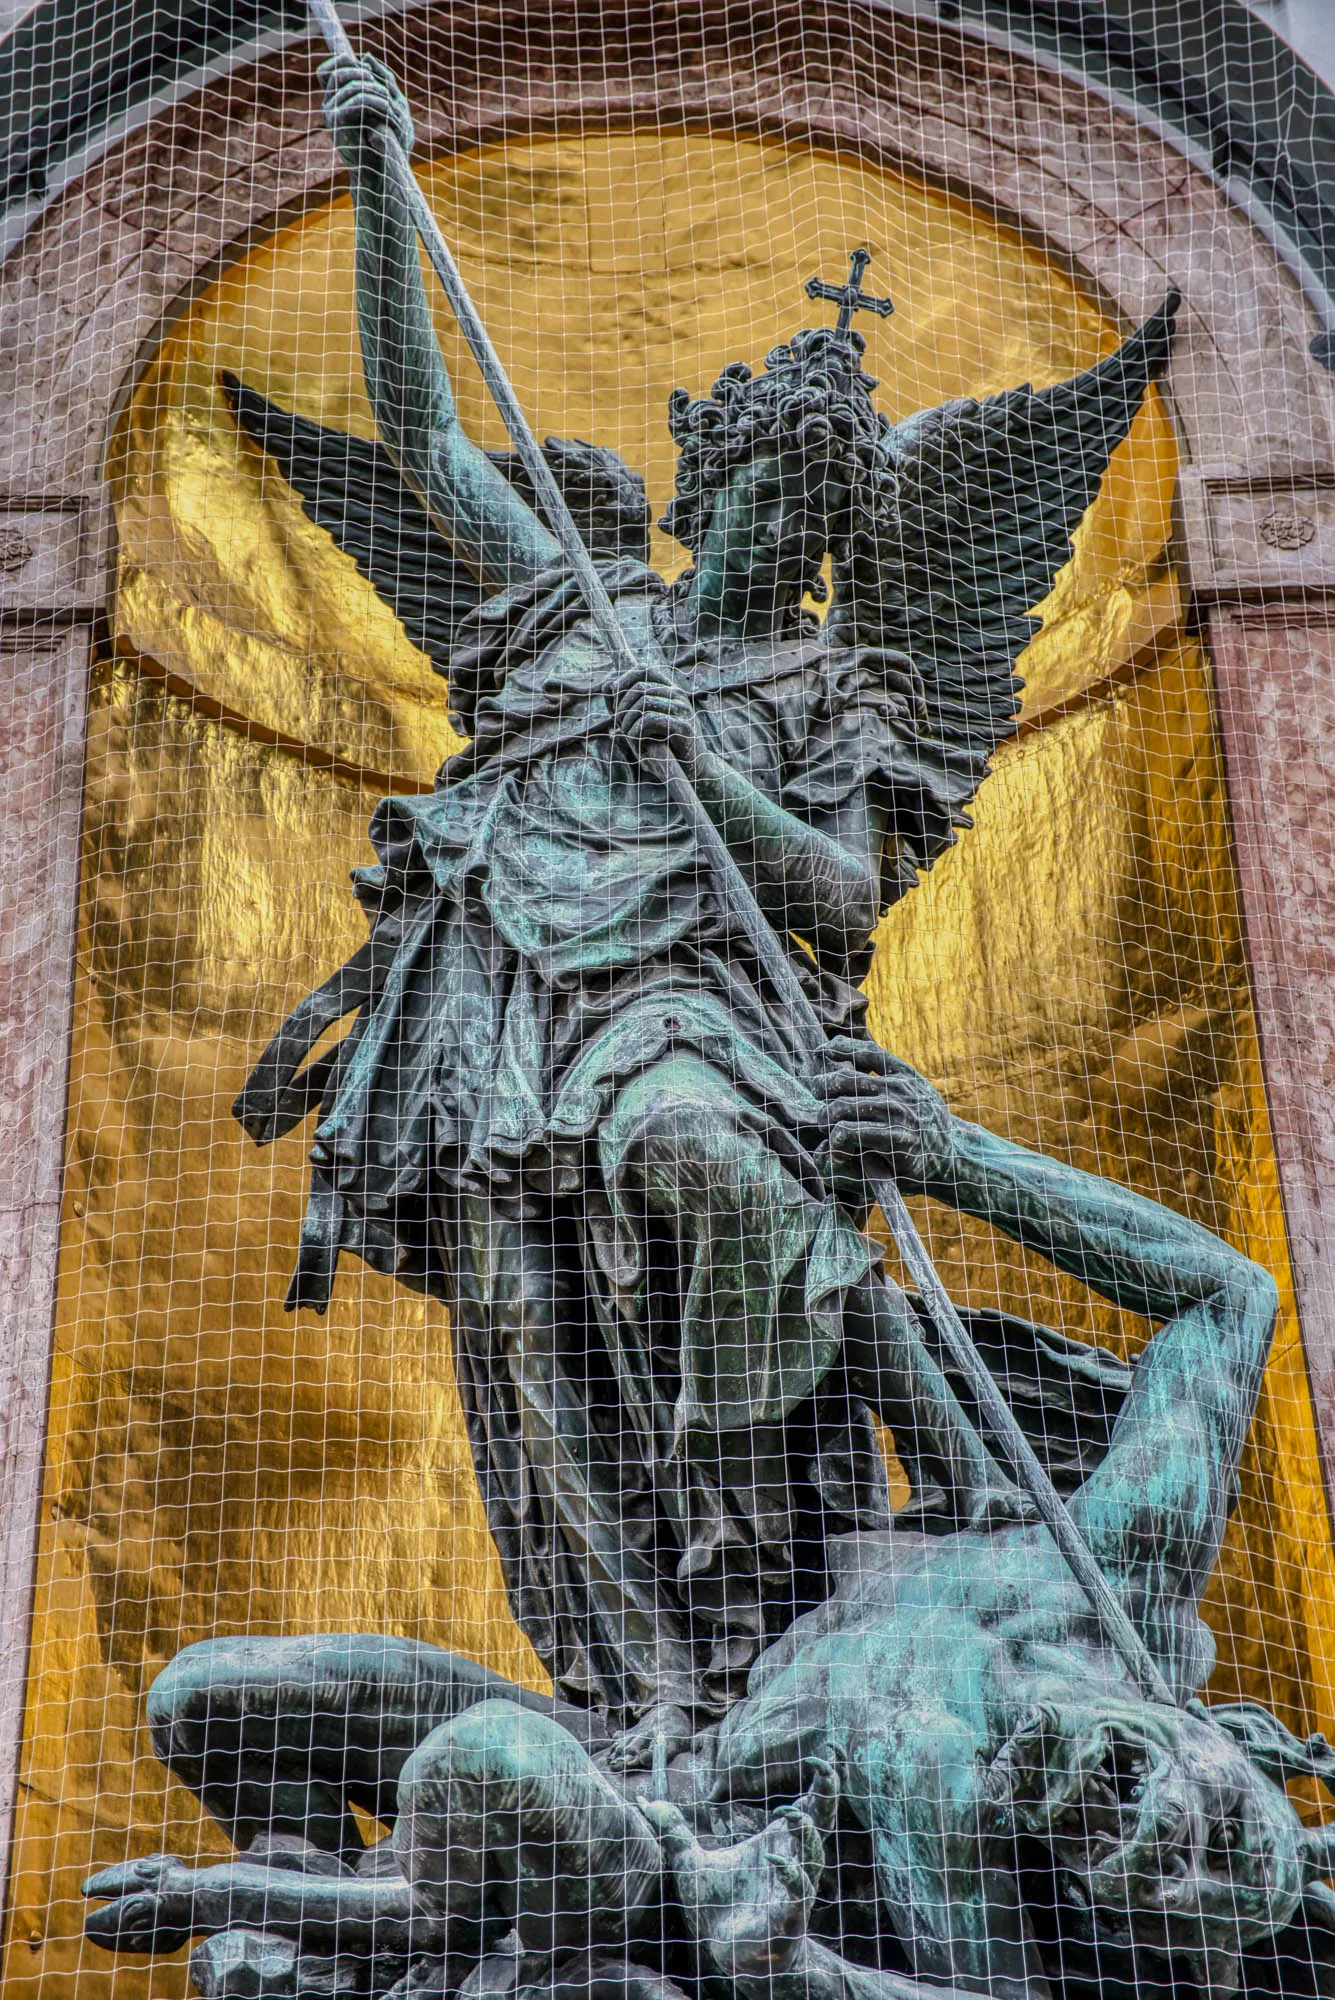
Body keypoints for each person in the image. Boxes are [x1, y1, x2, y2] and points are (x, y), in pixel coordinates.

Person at [229, 50, 1178, 1759]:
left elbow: (838, 890)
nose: (771, 533)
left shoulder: (830, 685)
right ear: (701, 486)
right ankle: (643, 1689)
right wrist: (383, 176)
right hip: (506, 1007)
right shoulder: (573, 601)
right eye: (751, 494)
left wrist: (713, 768)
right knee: (525, 1333)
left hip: (700, 1016)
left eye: (804, 516)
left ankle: (757, 1593)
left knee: (698, 1159)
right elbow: (430, 428)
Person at [85, 1061, 1332, 1999]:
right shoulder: (1112, 1561)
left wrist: (792, 1961)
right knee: (208, 1701)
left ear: (1095, 1906)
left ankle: (356, 1923)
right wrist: (952, 1153)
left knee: (241, 1710)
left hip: (626, 1797)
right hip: (643, 1720)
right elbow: (1232, 1298)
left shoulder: (955, 1835)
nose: (1151, 1831)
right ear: (1227, 1748)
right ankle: (334, 1911)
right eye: (1221, 1829)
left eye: (1143, 1879)